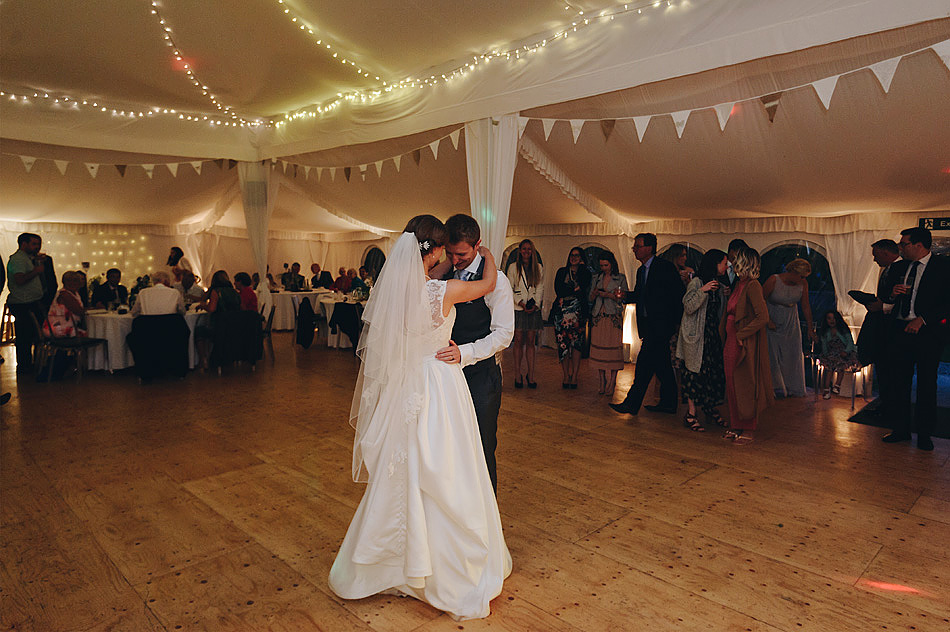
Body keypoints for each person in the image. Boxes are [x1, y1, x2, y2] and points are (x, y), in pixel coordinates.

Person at [328, 215, 511, 621]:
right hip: (440, 384)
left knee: (406, 467)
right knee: (447, 466)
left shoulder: (396, 290)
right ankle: (442, 566)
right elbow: (486, 284)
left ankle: (391, 562)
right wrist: (489, 255)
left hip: (407, 384)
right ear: (438, 250)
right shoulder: (442, 291)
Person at [433, 214, 514, 493]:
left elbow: (504, 334)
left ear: (477, 245)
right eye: (450, 253)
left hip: (481, 377)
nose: (456, 260)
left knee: (481, 447)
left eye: (462, 254)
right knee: (449, 448)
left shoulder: (497, 281)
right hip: (444, 378)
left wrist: (465, 353)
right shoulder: (444, 273)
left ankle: (485, 517)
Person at [881, 227, 950, 451]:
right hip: (900, 331)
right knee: (898, 382)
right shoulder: (899, 267)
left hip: (928, 334)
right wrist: (892, 294)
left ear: (919, 245)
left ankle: (924, 434)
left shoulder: (943, 267)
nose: (900, 248)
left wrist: (923, 319)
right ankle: (900, 429)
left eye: (904, 244)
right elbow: (883, 297)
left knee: (927, 384)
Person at [610, 233, 684, 416]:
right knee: (662, 366)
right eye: (634, 246)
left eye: (638, 246)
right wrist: (626, 296)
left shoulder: (664, 268)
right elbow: (641, 295)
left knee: (643, 366)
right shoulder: (641, 271)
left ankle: (631, 404)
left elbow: (677, 295)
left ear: (649, 248)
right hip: (648, 325)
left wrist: (675, 323)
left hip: (661, 326)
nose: (634, 249)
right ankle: (669, 403)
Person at [722, 247, 773, 445]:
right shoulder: (739, 284)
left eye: (736, 261)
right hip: (731, 340)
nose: (733, 264)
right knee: (731, 383)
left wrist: (742, 335)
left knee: (745, 383)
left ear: (745, 263)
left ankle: (748, 428)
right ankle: (736, 424)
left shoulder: (753, 285)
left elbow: (763, 317)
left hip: (742, 342)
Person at [676, 249, 729, 432]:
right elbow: (688, 306)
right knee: (693, 373)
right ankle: (691, 413)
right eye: (724, 263)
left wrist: (724, 294)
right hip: (697, 338)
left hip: (712, 336)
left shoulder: (718, 285)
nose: (726, 266)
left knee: (712, 373)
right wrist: (703, 290)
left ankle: (709, 407)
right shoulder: (697, 282)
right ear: (714, 264)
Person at [855, 239, 900, 413]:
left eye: (876, 255)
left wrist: (882, 307)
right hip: (883, 327)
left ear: (885, 253)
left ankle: (891, 405)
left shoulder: (900, 269)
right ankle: (885, 402)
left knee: (891, 370)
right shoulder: (886, 270)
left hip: (893, 329)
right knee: (883, 368)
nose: (874, 260)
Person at [763, 257, 815, 398]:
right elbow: (760, 301)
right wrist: (767, 320)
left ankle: (791, 387)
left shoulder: (803, 284)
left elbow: (805, 306)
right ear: (794, 272)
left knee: (791, 354)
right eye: (802, 276)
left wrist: (810, 328)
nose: (803, 279)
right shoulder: (774, 280)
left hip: (791, 320)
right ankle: (776, 388)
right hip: (772, 317)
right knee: (773, 355)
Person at [6, 233, 48, 373]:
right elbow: (19, 279)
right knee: (25, 337)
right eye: (34, 244)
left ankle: (32, 364)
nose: (37, 247)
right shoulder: (18, 259)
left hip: (32, 301)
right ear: (24, 244)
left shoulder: (28, 258)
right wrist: (36, 271)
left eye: (38, 244)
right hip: (23, 303)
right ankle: (24, 366)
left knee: (33, 335)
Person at [552, 247, 592, 389]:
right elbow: (559, 290)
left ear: (581, 258)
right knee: (563, 346)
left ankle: (574, 375)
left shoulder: (585, 273)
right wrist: (573, 290)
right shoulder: (562, 272)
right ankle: (565, 375)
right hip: (561, 314)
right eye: (572, 255)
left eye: (577, 255)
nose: (573, 258)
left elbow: (584, 286)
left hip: (578, 315)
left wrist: (579, 272)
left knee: (576, 345)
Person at [507, 239, 543, 388]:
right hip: (518, 308)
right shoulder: (513, 267)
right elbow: (509, 288)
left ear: (532, 251)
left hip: (533, 308)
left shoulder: (538, 267)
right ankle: (517, 375)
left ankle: (531, 375)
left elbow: (540, 287)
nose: (526, 252)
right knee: (518, 340)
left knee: (530, 341)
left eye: (529, 249)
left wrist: (535, 304)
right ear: (520, 251)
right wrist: (520, 303)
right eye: (524, 249)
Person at [589, 251, 627, 396]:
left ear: (612, 264)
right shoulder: (597, 278)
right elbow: (590, 298)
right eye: (601, 265)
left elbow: (623, 297)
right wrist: (595, 294)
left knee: (614, 350)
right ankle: (602, 381)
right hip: (599, 316)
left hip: (613, 317)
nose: (604, 268)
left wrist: (609, 295)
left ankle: (612, 382)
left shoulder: (620, 278)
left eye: (606, 265)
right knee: (600, 350)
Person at [195, 270, 241, 369]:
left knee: (199, 331)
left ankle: (204, 360)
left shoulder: (216, 292)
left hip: (219, 327)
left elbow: (211, 309)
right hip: (235, 327)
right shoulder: (235, 292)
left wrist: (204, 306)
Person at [816, 310, 859, 399]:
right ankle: (826, 388)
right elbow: (824, 345)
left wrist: (846, 352)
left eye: (834, 318)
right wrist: (825, 354)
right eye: (829, 318)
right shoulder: (825, 332)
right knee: (829, 368)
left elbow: (850, 343)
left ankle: (837, 385)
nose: (832, 321)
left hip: (843, 352)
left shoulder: (843, 330)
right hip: (831, 353)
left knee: (841, 366)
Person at [43, 270, 86, 337]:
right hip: (59, 328)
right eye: (68, 280)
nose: (72, 283)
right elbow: (78, 311)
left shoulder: (74, 293)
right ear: (63, 282)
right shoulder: (64, 294)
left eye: (75, 280)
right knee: (92, 333)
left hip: (68, 325)